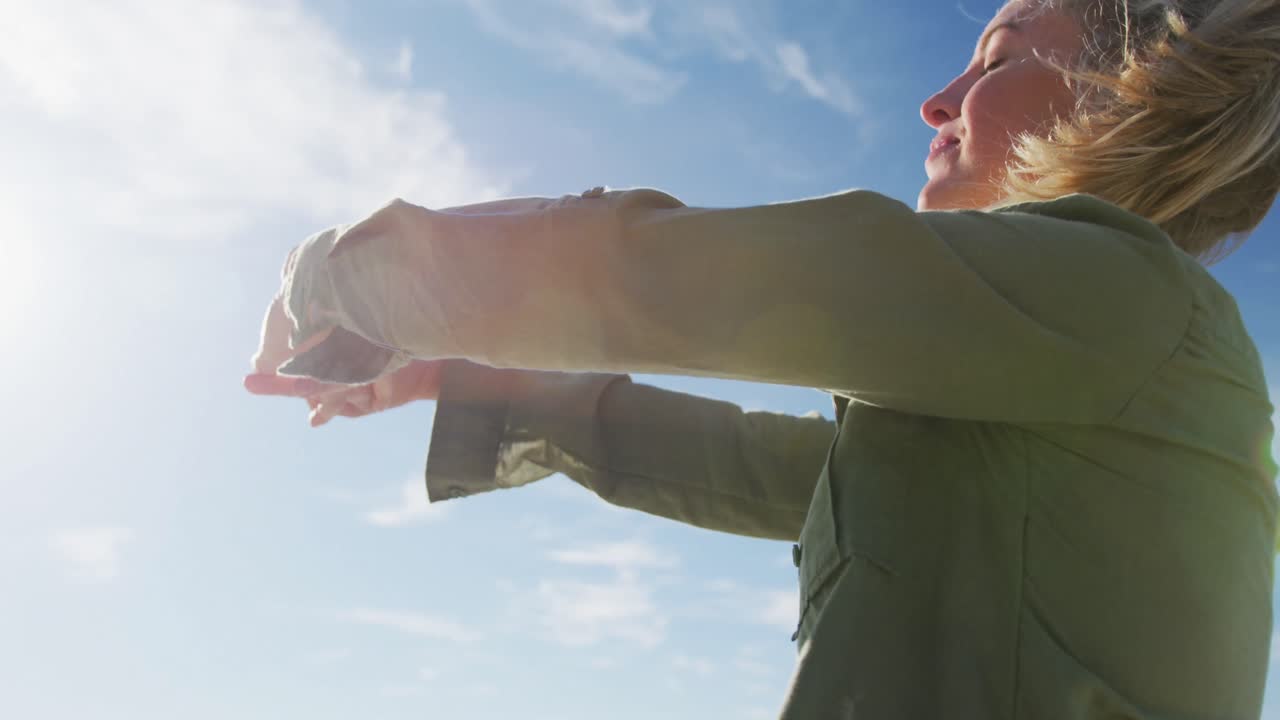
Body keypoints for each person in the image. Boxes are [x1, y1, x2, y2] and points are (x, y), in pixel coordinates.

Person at [244, 0, 1280, 716]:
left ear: (1129, 86)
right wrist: (469, 381)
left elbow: (662, 277)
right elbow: (770, 473)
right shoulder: (1077, 369)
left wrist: (337, 279)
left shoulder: (1115, 295)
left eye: (998, 54)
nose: (938, 97)